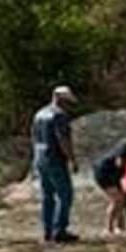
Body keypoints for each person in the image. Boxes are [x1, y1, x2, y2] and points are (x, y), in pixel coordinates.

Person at [31, 86, 80, 243]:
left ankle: (48, 231)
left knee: (47, 196)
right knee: (66, 194)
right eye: (67, 101)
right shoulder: (59, 116)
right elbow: (62, 140)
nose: (68, 105)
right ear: (59, 98)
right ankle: (59, 230)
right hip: (55, 158)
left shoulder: (39, 114)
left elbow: (34, 137)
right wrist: (72, 159)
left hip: (40, 158)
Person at [93, 137, 126, 236]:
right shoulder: (125, 150)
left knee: (122, 200)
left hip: (113, 175)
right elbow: (120, 164)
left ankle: (120, 227)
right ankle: (108, 229)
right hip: (104, 172)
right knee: (117, 200)